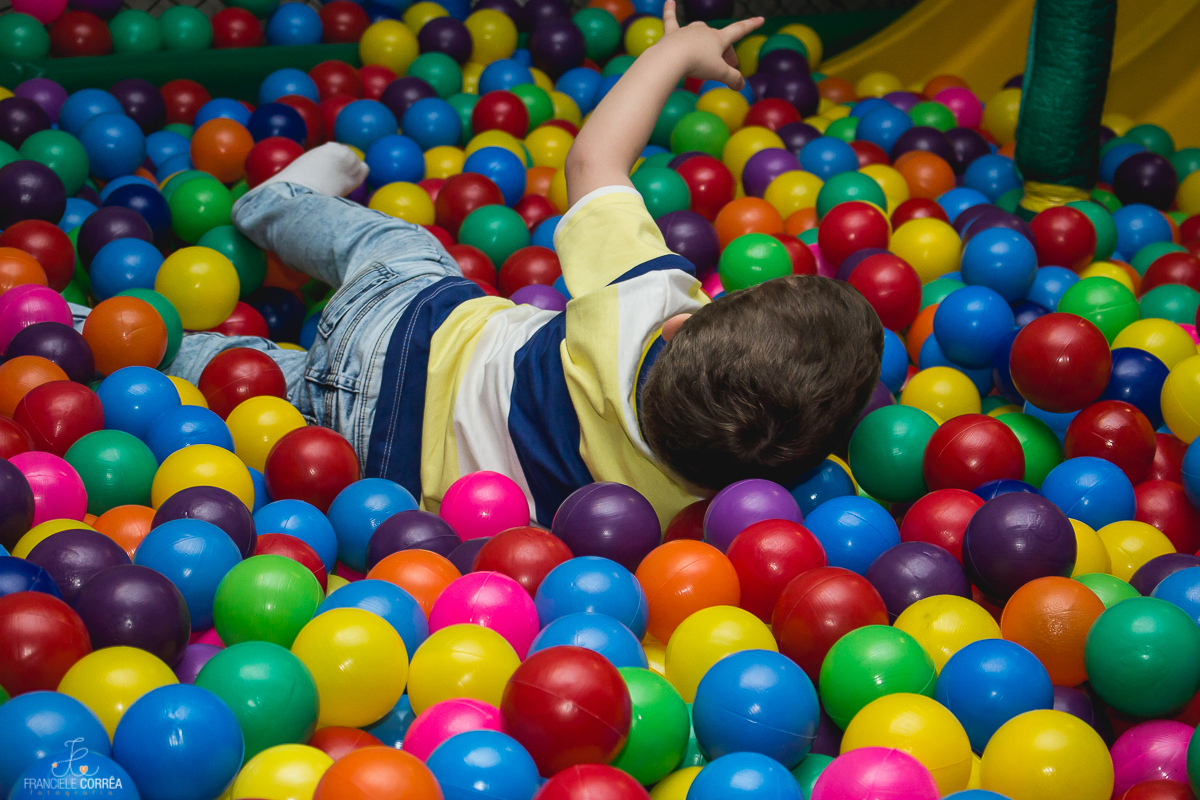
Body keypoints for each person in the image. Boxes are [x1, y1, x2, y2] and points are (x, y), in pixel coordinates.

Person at [143, 1, 883, 527]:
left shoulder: (645, 301)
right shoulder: (689, 513)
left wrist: (675, 52)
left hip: (410, 327)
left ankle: (275, 205)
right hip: (376, 458)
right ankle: (133, 346)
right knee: (253, 376)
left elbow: (595, 156)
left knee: (395, 249)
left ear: (696, 320)